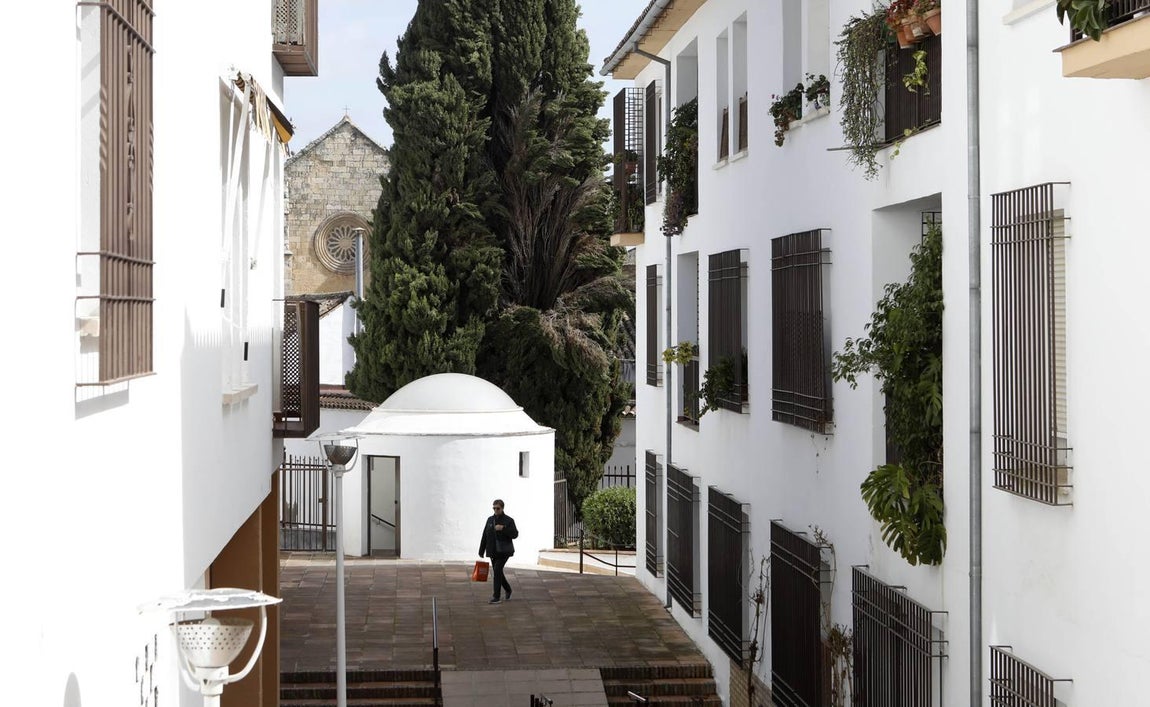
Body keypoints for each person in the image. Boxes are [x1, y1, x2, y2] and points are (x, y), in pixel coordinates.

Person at [478, 498, 518, 604]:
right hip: (493, 550)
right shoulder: (490, 520)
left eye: (498, 508)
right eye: (494, 508)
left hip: (504, 551)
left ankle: (496, 596)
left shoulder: (509, 520)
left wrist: (503, 528)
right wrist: (481, 550)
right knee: (498, 571)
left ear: (502, 508)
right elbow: (485, 535)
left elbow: (515, 534)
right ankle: (508, 589)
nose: (495, 510)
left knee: (497, 570)